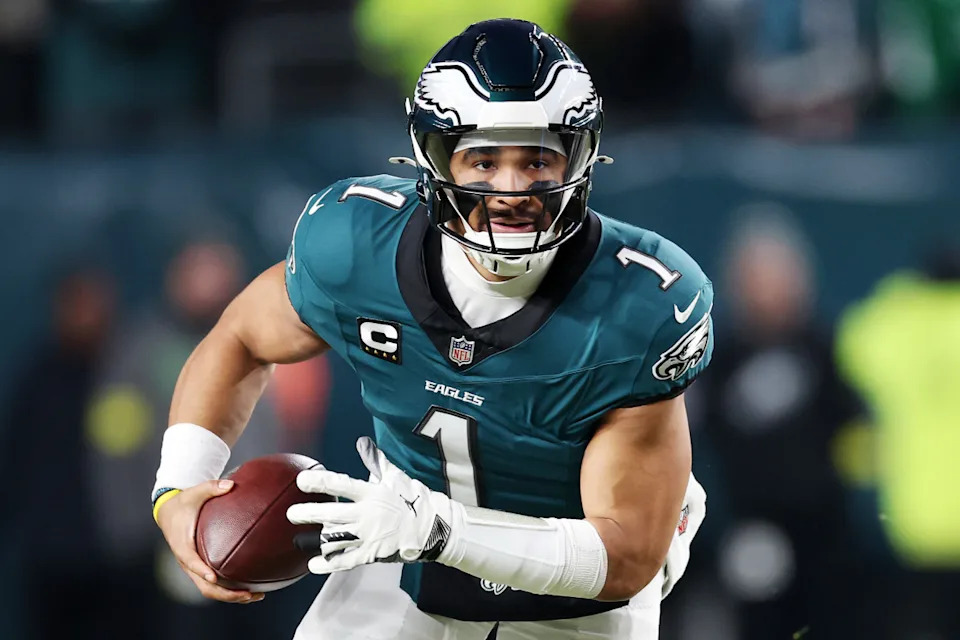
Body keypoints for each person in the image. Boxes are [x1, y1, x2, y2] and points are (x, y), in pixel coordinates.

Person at [153, 19, 715, 639]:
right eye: (483, 160)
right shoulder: (355, 246)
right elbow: (240, 340)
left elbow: (622, 556)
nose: (510, 189)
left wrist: (438, 528)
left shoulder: (638, 303)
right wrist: (179, 484)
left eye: (537, 158)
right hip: (399, 554)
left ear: (580, 158)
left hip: (576, 602)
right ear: (434, 157)